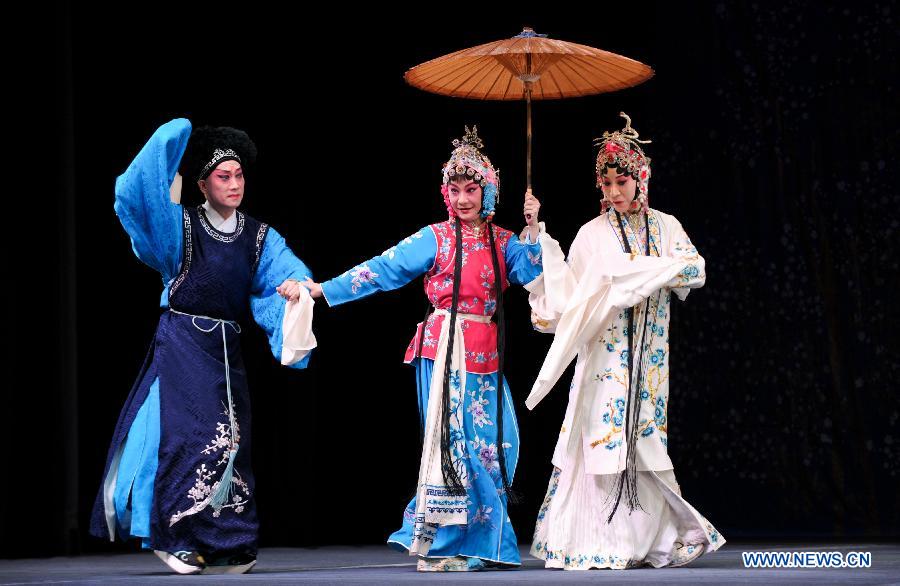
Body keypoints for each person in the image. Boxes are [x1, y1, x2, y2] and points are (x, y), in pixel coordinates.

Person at [303, 126, 544, 571]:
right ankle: (456, 543)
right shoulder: (435, 237)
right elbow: (383, 269)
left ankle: (477, 539)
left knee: (496, 444)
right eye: (455, 189)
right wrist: (324, 290)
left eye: (472, 189)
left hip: (485, 352)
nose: (463, 199)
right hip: (443, 351)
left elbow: (531, 276)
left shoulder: (505, 240)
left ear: (489, 191)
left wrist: (533, 229)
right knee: (454, 447)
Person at [89, 119, 316, 575]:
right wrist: (174, 137)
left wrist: (296, 287)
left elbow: (285, 271)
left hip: (226, 349)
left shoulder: (258, 237)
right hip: (183, 342)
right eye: (222, 177)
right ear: (202, 184)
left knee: (231, 440)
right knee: (187, 437)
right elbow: (141, 198)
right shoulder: (181, 227)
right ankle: (173, 536)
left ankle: (229, 540)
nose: (234, 185)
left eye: (239, 176)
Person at [525, 113, 724, 570]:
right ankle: (604, 539)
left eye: (622, 181)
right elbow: (569, 297)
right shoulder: (591, 234)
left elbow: (696, 270)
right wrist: (538, 239)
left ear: (642, 179)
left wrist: (647, 271)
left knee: (645, 442)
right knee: (602, 440)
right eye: (607, 182)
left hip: (651, 362)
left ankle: (649, 540)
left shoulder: (666, 227)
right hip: (604, 360)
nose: (614, 192)